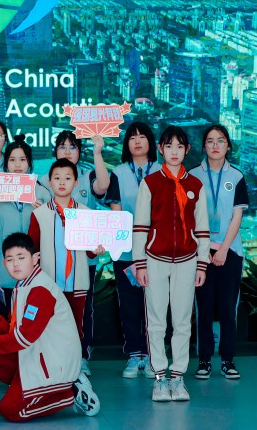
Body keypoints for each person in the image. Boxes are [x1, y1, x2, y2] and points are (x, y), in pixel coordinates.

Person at [0, 232, 100, 421]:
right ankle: (28, 389)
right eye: (10, 259)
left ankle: (71, 393)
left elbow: (22, 339)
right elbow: (13, 332)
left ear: (35, 259)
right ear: (3, 263)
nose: (15, 264)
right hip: (38, 354)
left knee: (11, 411)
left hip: (54, 362)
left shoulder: (40, 290)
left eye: (21, 257)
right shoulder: (23, 285)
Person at [133, 125, 210, 402]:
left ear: (187, 150)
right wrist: (140, 264)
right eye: (169, 146)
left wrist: (202, 264)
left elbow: (202, 227)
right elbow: (140, 226)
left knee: (182, 321)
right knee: (156, 321)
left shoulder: (195, 185)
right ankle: (159, 378)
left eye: (179, 146)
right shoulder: (150, 183)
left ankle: (177, 377)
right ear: (161, 149)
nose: (174, 151)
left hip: (187, 261)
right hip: (155, 260)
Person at [38, 131, 110, 375]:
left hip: (82, 260)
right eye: (62, 146)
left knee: (83, 310)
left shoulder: (87, 176)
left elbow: (103, 186)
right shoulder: (42, 181)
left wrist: (98, 152)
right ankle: (52, 357)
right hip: (51, 261)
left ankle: (81, 357)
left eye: (72, 146)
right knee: (51, 310)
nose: (67, 151)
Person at [28, 159, 105, 362]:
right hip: (49, 283)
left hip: (76, 282)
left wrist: (97, 250)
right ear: (50, 183)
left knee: (76, 326)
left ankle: (76, 365)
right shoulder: (39, 214)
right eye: (57, 178)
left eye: (68, 178)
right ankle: (52, 367)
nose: (62, 182)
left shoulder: (86, 213)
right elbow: (32, 250)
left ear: (76, 183)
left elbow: (90, 252)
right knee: (49, 326)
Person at [190, 124, 248, 381]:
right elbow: (188, 216)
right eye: (210, 141)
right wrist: (204, 247)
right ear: (204, 146)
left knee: (227, 308)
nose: (215, 145)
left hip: (230, 251)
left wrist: (223, 248)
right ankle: (204, 360)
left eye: (221, 140)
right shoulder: (192, 175)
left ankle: (227, 360)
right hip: (200, 251)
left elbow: (237, 216)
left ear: (228, 146)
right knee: (203, 307)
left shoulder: (236, 176)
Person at [0, 135, 51, 339]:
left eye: (22, 159)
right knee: (8, 322)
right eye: (12, 159)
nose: (17, 165)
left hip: (36, 272)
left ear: (29, 163)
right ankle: (10, 357)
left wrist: (43, 213)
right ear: (6, 163)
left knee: (34, 324)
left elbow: (51, 233)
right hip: (5, 272)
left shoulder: (42, 193)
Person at [105, 122, 159, 379]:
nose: (137, 141)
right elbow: (116, 213)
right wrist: (131, 247)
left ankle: (151, 356)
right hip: (126, 251)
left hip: (156, 251)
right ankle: (134, 354)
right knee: (129, 306)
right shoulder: (118, 173)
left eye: (142, 136)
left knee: (154, 305)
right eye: (132, 137)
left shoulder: (162, 171)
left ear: (150, 141)